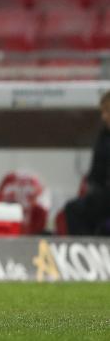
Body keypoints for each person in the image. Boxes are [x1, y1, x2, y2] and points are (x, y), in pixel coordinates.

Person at [64, 90, 110, 236]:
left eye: (107, 111)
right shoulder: (104, 136)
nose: (104, 117)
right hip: (103, 193)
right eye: (103, 112)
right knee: (74, 209)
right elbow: (97, 170)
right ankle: (87, 248)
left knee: (75, 210)